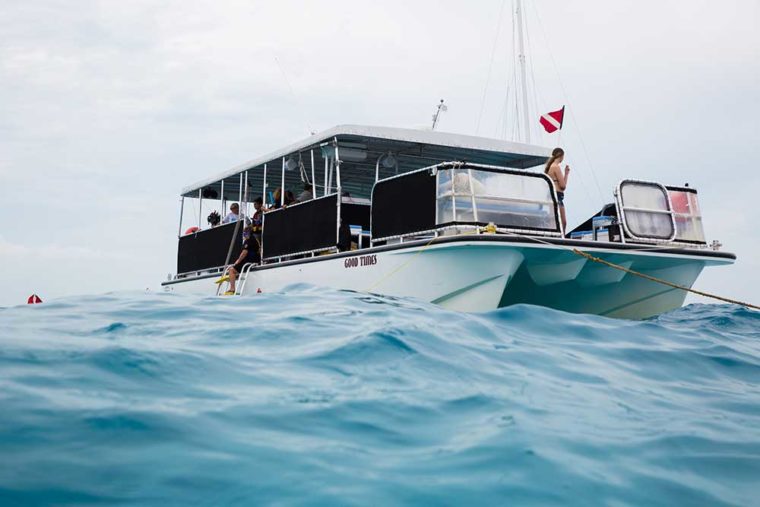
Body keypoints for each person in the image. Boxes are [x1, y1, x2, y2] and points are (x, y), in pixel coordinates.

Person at [544, 147, 570, 233]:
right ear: (561, 156)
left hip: (550, 195)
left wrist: (566, 173)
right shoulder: (556, 167)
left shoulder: (549, 167)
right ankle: (562, 238)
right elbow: (563, 186)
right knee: (563, 222)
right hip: (557, 195)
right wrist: (566, 175)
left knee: (553, 220)